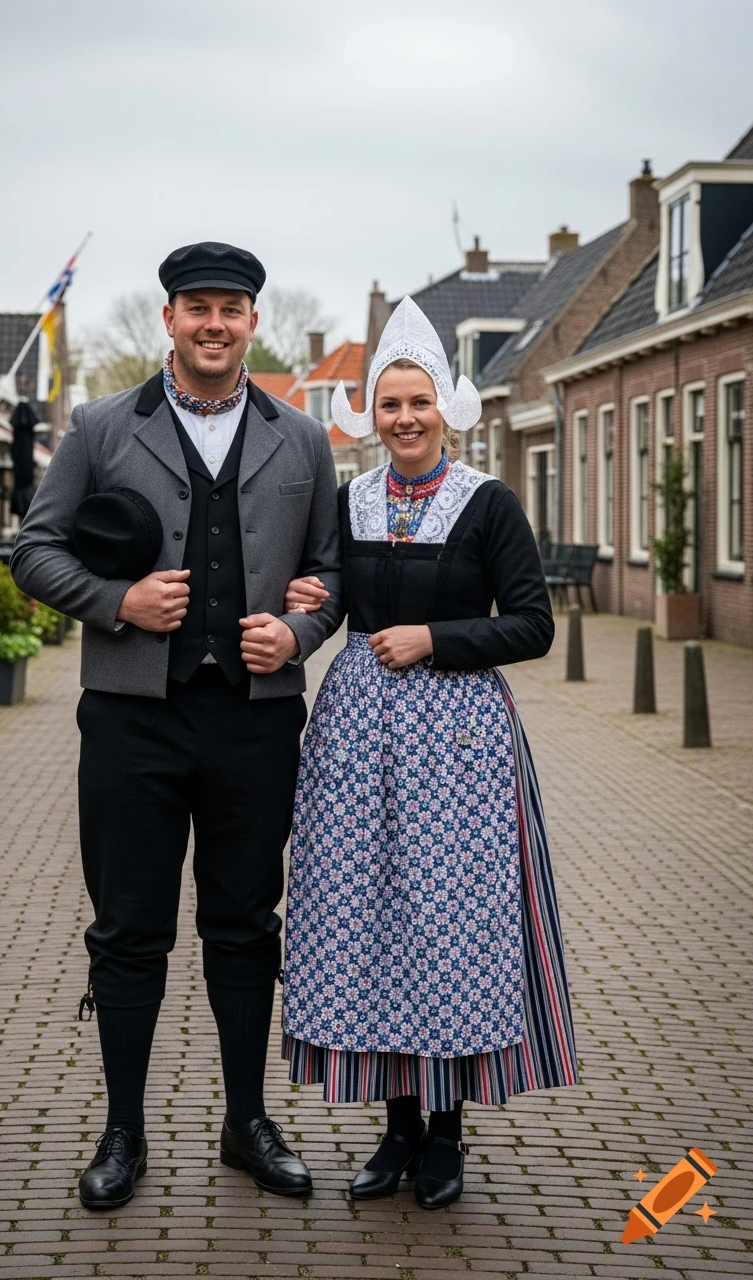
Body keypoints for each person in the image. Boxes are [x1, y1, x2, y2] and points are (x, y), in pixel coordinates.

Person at [10, 242, 343, 1208]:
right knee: (128, 929)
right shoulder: (102, 426)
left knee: (245, 924)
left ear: (252, 324)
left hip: (255, 721)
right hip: (130, 721)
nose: (213, 323)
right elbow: (34, 549)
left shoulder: (303, 440)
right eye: (196, 306)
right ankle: (123, 1131)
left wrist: (299, 631)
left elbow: (329, 572)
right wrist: (117, 602)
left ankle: (247, 1123)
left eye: (231, 309)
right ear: (168, 319)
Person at [280, 297, 578, 1210]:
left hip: (460, 748)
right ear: (370, 413)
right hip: (360, 738)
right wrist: (304, 604)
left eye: (419, 402)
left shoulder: (489, 503)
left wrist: (434, 640)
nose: (405, 418)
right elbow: (325, 596)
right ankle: (396, 1128)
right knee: (368, 922)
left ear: (446, 406)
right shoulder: (348, 501)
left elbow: (534, 625)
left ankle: (446, 1135)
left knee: (452, 927)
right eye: (389, 403)